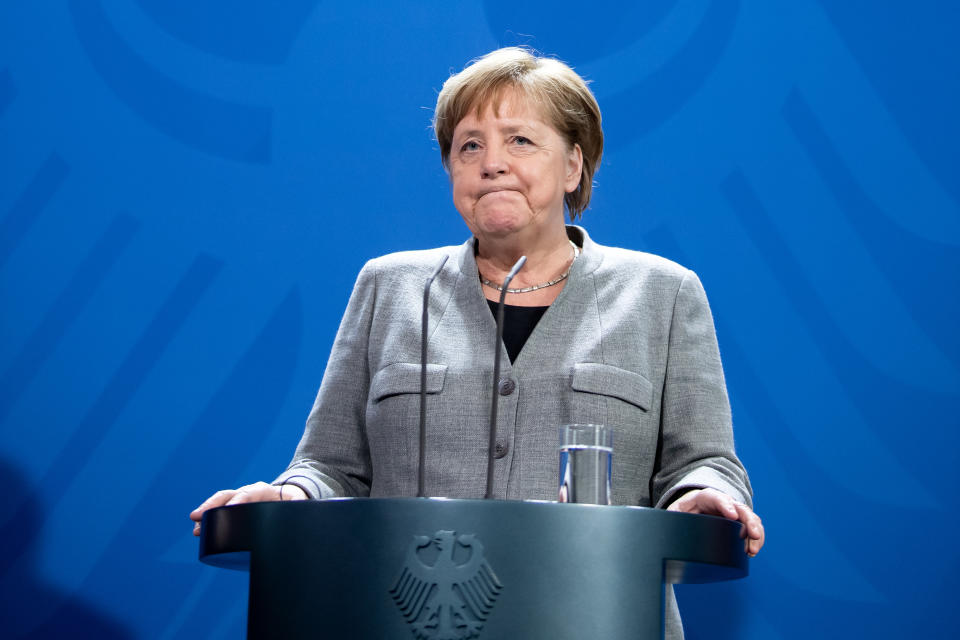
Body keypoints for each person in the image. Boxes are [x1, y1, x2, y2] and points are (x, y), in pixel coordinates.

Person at [190, 47, 764, 638]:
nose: (492, 163)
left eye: (519, 141)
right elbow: (330, 466)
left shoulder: (662, 293)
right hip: (399, 619)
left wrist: (706, 494)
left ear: (572, 166)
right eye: (470, 145)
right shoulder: (388, 286)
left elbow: (705, 462)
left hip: (599, 618)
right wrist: (291, 493)